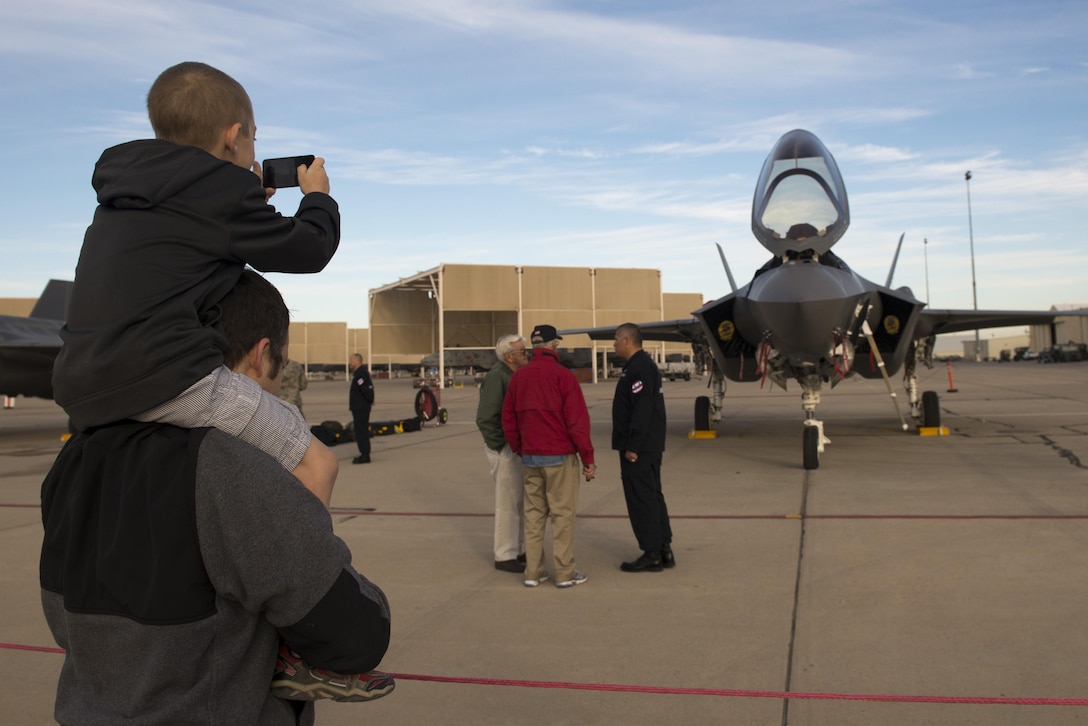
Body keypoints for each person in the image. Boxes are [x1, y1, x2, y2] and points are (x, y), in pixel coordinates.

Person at [40, 271, 393, 725]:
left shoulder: (75, 457)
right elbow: (355, 635)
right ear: (261, 354)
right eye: (281, 366)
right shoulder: (228, 466)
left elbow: (60, 616)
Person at [51, 60, 339, 507]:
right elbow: (310, 248)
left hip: (81, 383)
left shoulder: (126, 191)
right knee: (316, 463)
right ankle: (298, 576)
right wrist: (317, 197)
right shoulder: (222, 194)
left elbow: (186, 240)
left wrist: (247, 206)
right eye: (253, 139)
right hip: (163, 376)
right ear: (233, 135)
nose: (252, 152)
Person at [502, 324, 595, 588]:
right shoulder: (563, 376)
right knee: (562, 516)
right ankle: (564, 573)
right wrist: (588, 459)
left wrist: (521, 447)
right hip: (559, 456)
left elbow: (508, 419)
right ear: (554, 345)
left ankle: (533, 572)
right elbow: (577, 421)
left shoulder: (519, 377)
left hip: (530, 456)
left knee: (534, 516)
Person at [611, 323, 674, 572]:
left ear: (628, 340)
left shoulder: (639, 368)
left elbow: (642, 409)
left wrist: (632, 445)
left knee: (641, 498)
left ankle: (651, 553)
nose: (614, 343)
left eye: (617, 339)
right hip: (648, 445)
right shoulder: (641, 366)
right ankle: (663, 548)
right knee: (652, 495)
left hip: (640, 447)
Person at [475, 334, 529, 573]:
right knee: (507, 501)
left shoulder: (512, 375)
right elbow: (485, 416)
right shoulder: (498, 377)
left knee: (518, 500)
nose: (526, 355)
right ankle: (505, 554)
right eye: (522, 351)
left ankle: (517, 549)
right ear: (509, 356)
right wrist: (500, 447)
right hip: (505, 448)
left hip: (514, 446)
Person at [349, 354, 375, 464]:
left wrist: (369, 400)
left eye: (351, 360)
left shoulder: (361, 374)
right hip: (359, 407)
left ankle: (365, 455)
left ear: (357, 361)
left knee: (361, 431)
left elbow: (367, 389)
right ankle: (364, 453)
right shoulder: (359, 373)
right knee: (360, 430)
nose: (349, 362)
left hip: (361, 408)